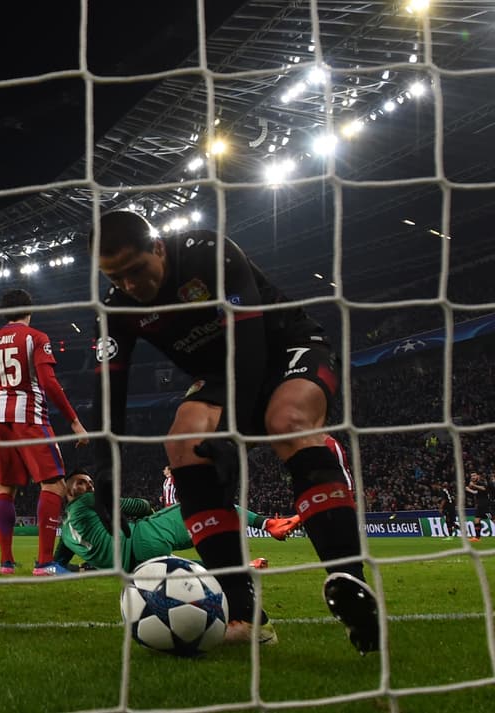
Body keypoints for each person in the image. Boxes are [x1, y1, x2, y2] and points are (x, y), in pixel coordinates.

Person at [92, 210, 378, 652]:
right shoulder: (116, 307)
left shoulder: (207, 254)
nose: (129, 285)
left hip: (285, 345)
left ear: (159, 248)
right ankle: (245, 614)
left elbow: (249, 344)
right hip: (218, 374)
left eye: (136, 270)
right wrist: (104, 467)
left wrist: (230, 432)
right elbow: (108, 388)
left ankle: (351, 585)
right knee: (183, 444)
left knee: (287, 422)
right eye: (116, 277)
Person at [0, 288, 89, 576]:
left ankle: (6, 563)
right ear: (30, 310)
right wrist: (74, 421)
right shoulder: (36, 337)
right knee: (54, 485)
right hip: (30, 417)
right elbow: (49, 382)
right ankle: (44, 563)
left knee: (5, 488)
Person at [54, 471, 299, 582]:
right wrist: (146, 513)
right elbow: (138, 506)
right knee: (205, 507)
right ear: (68, 491)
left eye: (90, 482)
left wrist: (84, 568)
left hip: (134, 570)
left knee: (187, 568)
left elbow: (58, 566)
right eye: (82, 482)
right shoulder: (88, 501)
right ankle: (269, 524)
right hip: (144, 537)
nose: (89, 486)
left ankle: (241, 567)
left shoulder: (64, 535)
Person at [466, 472, 490, 542]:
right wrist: (469, 489)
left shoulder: (481, 482)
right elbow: (476, 492)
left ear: (478, 476)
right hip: (480, 505)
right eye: (471, 476)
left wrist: (473, 486)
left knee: (493, 519)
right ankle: (477, 537)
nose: (473, 477)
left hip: (485, 504)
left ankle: (477, 537)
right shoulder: (476, 483)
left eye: (474, 475)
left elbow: (484, 488)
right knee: (476, 520)